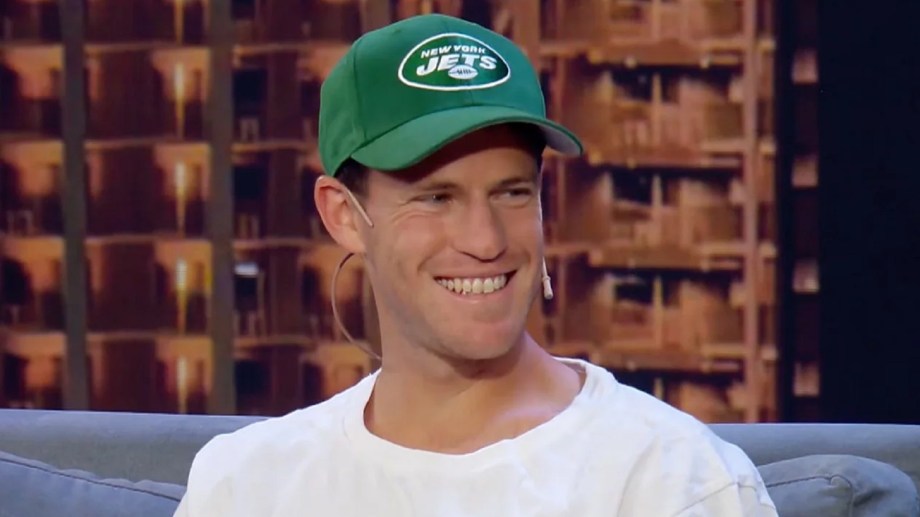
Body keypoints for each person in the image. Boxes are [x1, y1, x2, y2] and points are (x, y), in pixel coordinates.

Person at [175, 13, 778, 517]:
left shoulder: (672, 481)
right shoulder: (247, 487)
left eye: (511, 193)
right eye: (437, 197)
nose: (485, 240)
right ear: (344, 215)